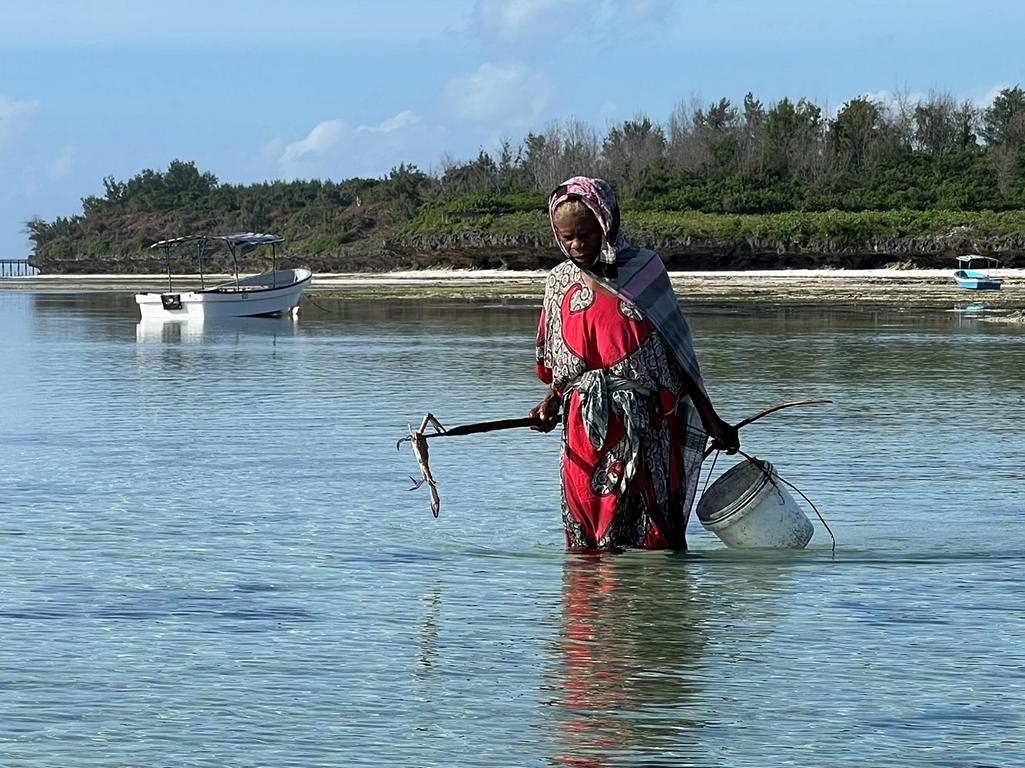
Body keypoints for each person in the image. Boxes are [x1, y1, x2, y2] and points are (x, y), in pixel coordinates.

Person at [530, 176, 739, 552]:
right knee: (587, 544)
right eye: (567, 238)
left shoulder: (645, 271)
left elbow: (679, 356)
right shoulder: (558, 281)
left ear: (606, 223)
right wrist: (551, 402)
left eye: (586, 235)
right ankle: (587, 611)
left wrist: (712, 420)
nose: (577, 246)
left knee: (653, 538)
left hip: (647, 427)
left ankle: (653, 607)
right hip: (583, 432)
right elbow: (558, 363)